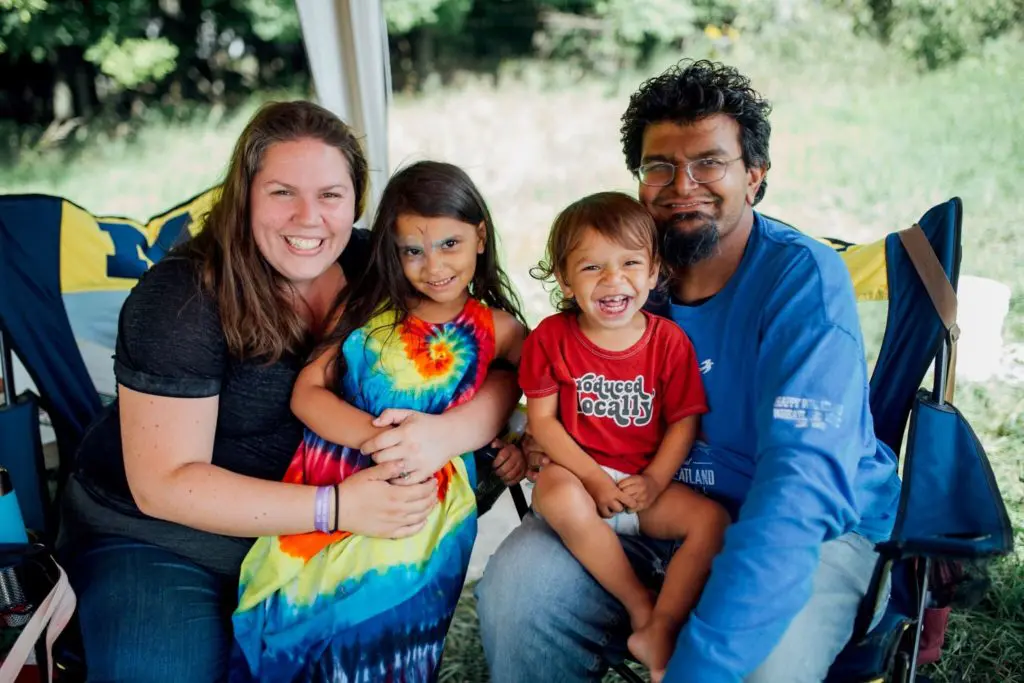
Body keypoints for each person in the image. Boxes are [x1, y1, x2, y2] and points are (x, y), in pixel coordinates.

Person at [57, 101, 525, 683]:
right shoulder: (181, 300)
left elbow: (495, 358)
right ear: (244, 195)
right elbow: (164, 485)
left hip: (336, 528)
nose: (309, 218)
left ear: (356, 201)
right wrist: (336, 507)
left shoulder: (379, 265)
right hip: (168, 542)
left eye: (330, 195)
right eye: (282, 193)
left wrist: (450, 433)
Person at [477, 59, 901, 683]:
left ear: (754, 177)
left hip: (800, 533)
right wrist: (546, 444)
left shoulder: (799, 282)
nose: (683, 184)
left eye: (710, 162)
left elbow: (799, 489)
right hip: (641, 511)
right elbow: (559, 382)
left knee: (760, 667)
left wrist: (698, 667)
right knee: (518, 591)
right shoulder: (629, 278)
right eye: (659, 166)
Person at [230, 160, 528, 682]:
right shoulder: (366, 306)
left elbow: (539, 395)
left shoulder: (500, 329)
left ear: (480, 237)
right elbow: (307, 393)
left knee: (389, 637)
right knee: (302, 622)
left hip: (424, 509)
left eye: (450, 244)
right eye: (413, 250)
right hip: (336, 478)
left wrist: (518, 444)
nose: (433, 265)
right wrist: (376, 438)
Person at [520, 191, 729, 682]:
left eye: (630, 263)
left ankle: (662, 625)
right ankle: (638, 604)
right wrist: (592, 480)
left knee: (712, 522)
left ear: (654, 272)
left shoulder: (667, 341)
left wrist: (655, 481)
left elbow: (684, 420)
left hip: (642, 485)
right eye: (592, 268)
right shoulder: (551, 338)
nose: (613, 280)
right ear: (564, 279)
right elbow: (542, 422)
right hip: (579, 480)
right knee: (554, 493)